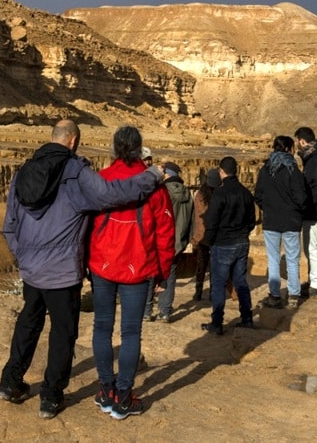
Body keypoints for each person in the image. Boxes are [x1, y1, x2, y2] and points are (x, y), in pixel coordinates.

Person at [0, 120, 164, 419]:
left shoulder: (23, 172)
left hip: (32, 270)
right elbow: (114, 193)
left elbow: (9, 224)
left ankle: (10, 382)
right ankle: (50, 397)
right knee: (63, 332)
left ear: (53, 139)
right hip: (62, 272)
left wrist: (23, 256)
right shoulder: (75, 173)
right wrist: (152, 176)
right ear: (73, 141)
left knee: (28, 323)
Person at [87, 126, 175, 420]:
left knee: (102, 327)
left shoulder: (102, 180)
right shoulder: (155, 187)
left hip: (102, 265)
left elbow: (85, 225)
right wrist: (163, 273)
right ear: (140, 149)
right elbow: (164, 233)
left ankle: (105, 389)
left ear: (114, 148)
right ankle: (123, 397)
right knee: (130, 332)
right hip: (137, 268)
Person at [200, 156, 258, 335]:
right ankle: (247, 318)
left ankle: (217, 322)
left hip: (223, 243)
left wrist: (208, 241)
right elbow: (252, 221)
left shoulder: (220, 193)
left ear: (221, 171)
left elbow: (211, 221)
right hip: (242, 242)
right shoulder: (246, 193)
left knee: (218, 283)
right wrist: (243, 234)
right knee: (240, 281)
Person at [254, 136, 307, 309]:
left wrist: (268, 208)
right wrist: (297, 210)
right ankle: (293, 296)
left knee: (273, 259)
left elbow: (258, 195)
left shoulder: (266, 169)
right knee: (292, 259)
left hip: (271, 221)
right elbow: (301, 197)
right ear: (288, 149)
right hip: (291, 220)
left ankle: (275, 296)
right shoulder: (293, 170)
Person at [144, 161, 193, 322]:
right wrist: (186, 240)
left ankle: (146, 311)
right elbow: (192, 221)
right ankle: (165, 311)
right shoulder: (187, 194)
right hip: (178, 242)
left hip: (161, 240)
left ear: (167, 175)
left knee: (151, 273)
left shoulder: (163, 192)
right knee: (170, 275)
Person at [294, 127, 317, 298]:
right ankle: (312, 280)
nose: (296, 146)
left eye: (297, 142)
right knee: (309, 248)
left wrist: (304, 204)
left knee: (313, 248)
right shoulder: (312, 159)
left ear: (302, 141)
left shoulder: (316, 160)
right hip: (311, 210)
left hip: (314, 211)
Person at [189, 169, 222, 302]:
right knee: (214, 266)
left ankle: (198, 292)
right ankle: (212, 293)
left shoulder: (199, 195)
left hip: (201, 236)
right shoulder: (218, 195)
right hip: (214, 235)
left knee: (201, 266)